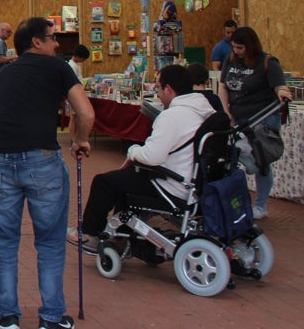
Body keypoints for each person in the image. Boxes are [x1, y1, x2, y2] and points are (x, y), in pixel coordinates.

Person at [0, 17, 93, 329]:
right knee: (50, 239)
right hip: (40, 158)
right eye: (52, 38)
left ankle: (6, 315)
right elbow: (85, 113)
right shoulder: (58, 68)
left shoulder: (3, 75)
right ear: (37, 43)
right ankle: (52, 318)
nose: (58, 44)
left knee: (4, 239)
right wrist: (81, 140)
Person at [70, 65, 216, 246]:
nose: (158, 93)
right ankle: (122, 235)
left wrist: (132, 151)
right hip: (193, 183)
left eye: (158, 88)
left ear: (168, 89)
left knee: (104, 182)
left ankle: (89, 233)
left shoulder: (173, 116)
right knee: (125, 180)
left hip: (172, 185)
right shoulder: (206, 110)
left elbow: (151, 157)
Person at [218, 26, 292, 219]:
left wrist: (282, 92)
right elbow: (224, 85)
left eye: (240, 48)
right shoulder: (230, 60)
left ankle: (260, 205)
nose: (237, 51)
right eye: (234, 47)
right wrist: (226, 110)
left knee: (262, 162)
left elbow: (278, 84)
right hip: (238, 118)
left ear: (250, 46)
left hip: (262, 119)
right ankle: (234, 202)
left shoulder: (267, 62)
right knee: (232, 158)